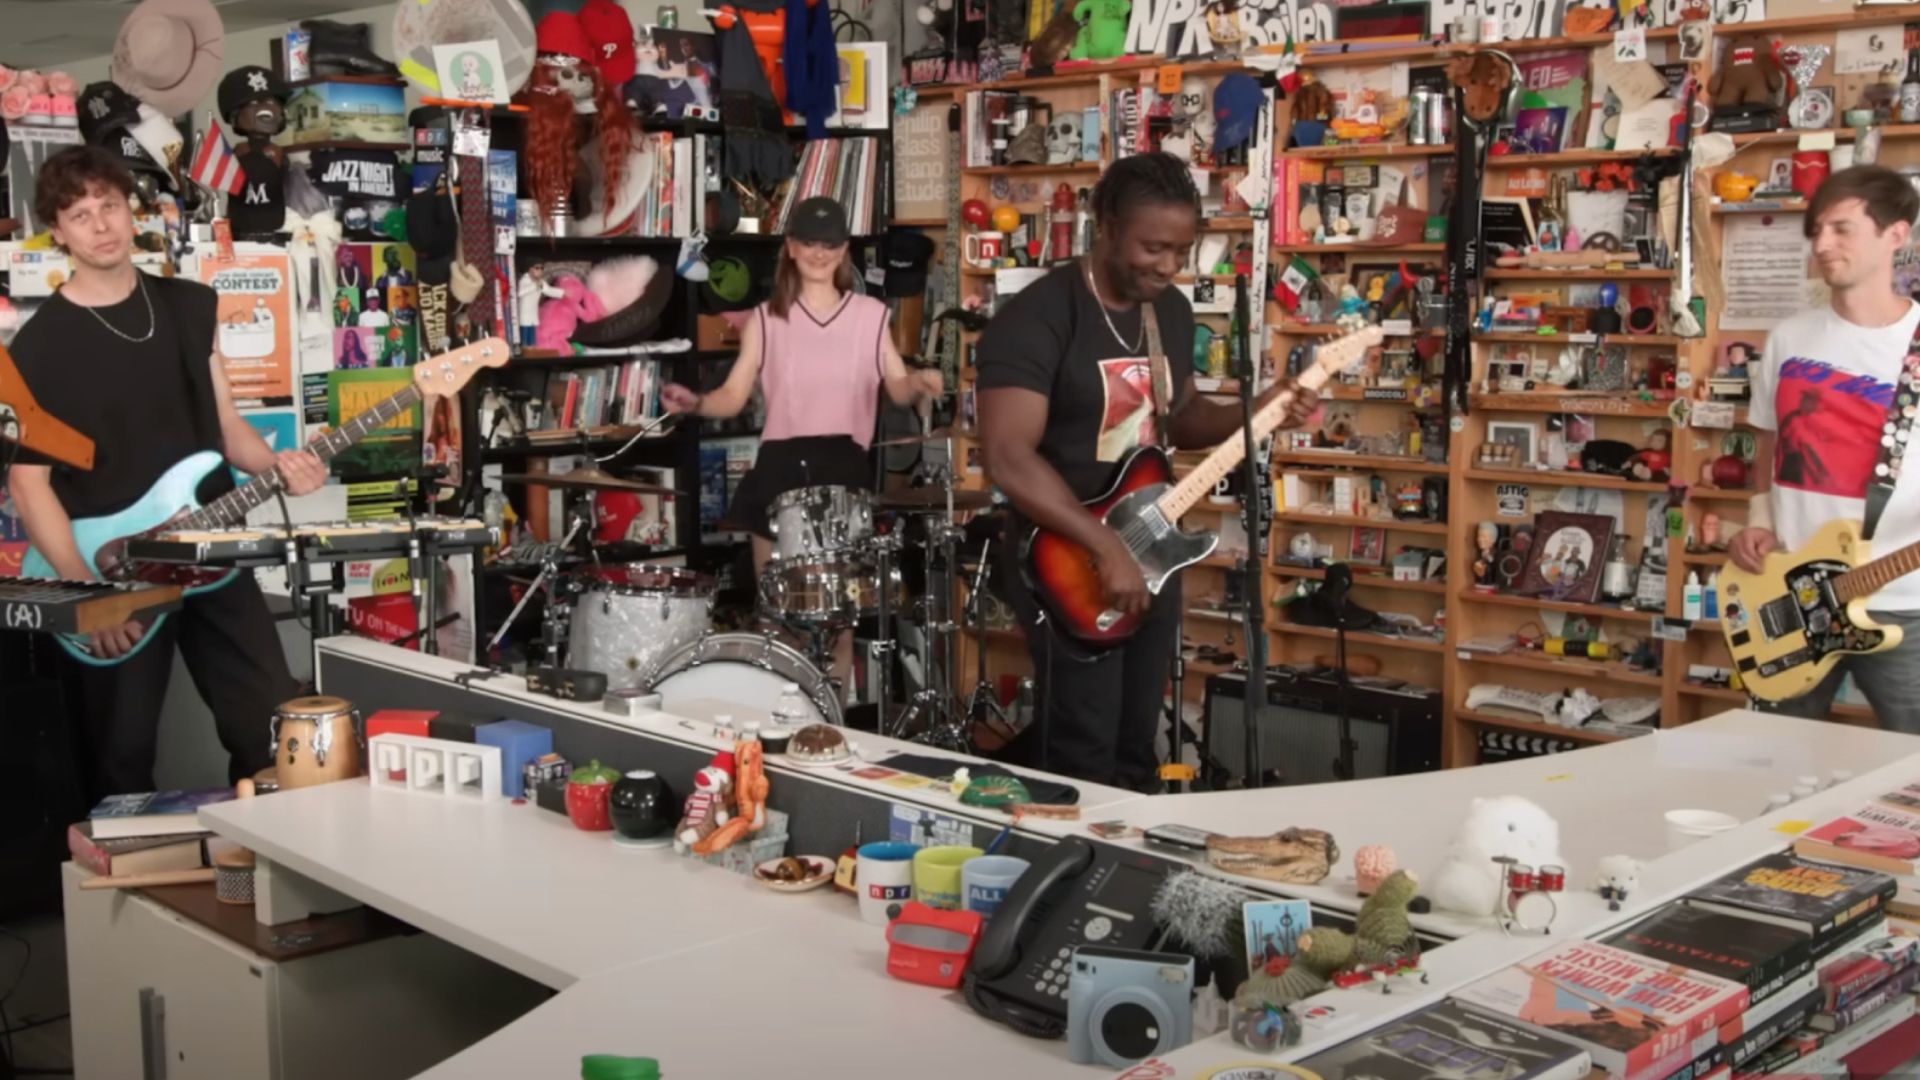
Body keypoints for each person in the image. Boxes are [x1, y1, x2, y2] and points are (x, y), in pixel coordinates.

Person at [976, 152, 1319, 790]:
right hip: (1064, 558)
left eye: (1180, 252)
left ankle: (1122, 879)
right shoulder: (1039, 319)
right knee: (1081, 747)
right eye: (1153, 248)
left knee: (1136, 744)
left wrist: (1262, 409)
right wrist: (1104, 548)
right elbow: (1007, 455)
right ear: (1105, 223)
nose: (1167, 266)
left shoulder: (1170, 312)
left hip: (1150, 547)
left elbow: (1181, 417)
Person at [6, 146, 327, 797]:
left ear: (133, 211)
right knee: (121, 754)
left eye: (111, 206)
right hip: (110, 570)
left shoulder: (188, 305)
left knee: (270, 729)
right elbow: (28, 483)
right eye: (80, 214)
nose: (101, 226)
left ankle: (271, 872)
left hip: (212, 548)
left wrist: (282, 463)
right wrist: (84, 593)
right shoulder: (35, 349)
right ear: (58, 230)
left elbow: (228, 429)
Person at [659, 197, 941, 687]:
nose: (818, 252)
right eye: (808, 242)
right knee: (776, 619)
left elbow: (896, 387)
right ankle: (783, 728)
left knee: (839, 624)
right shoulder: (765, 319)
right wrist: (696, 404)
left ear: (844, 250)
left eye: (829, 243)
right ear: (791, 248)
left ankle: (831, 735)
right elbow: (732, 395)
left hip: (844, 470)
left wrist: (919, 383)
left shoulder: (871, 315)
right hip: (780, 470)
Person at [1732, 165, 1920, 730]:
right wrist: (1758, 519)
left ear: (1897, 234)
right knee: (1773, 760)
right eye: (1816, 230)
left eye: (1841, 228)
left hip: (1903, 602)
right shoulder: (1788, 339)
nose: (1822, 244)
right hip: (1789, 593)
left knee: (1908, 777)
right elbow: (1767, 444)